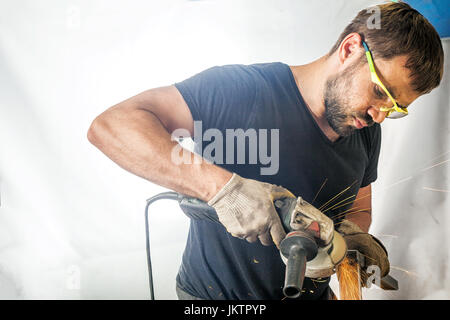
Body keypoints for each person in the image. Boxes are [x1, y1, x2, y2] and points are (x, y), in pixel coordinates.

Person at [87, 2, 444, 300]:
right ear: (351, 49)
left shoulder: (364, 128)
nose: (381, 114)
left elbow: (359, 206)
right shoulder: (242, 91)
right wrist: (223, 189)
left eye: (396, 107)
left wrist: (349, 234)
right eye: (381, 91)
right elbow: (113, 125)